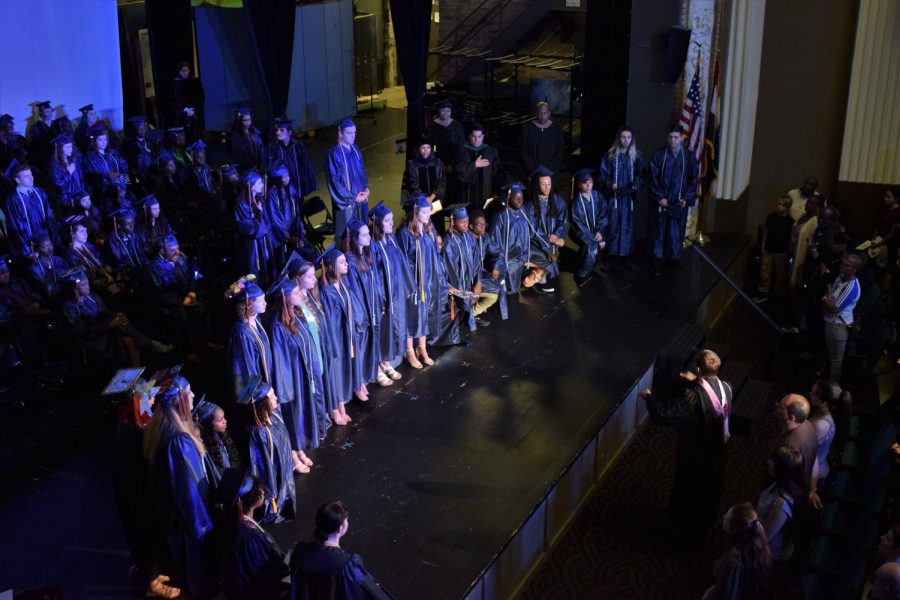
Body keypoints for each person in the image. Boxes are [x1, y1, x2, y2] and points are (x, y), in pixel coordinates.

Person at [641, 349, 731, 541]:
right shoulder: (727, 388)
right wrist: (695, 380)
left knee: (688, 491)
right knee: (708, 493)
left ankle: (681, 533)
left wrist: (649, 398)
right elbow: (710, 397)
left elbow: (664, 414)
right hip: (717, 453)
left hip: (696, 453)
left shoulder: (692, 397)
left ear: (698, 368)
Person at [143, 374, 213, 599]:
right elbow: (188, 493)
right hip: (188, 522)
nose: (193, 396)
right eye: (188, 392)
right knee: (197, 570)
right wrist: (204, 527)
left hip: (172, 517)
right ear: (178, 400)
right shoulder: (177, 441)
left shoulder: (159, 428)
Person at [61, 266, 168, 367]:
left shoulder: (93, 297)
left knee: (123, 327)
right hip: (93, 339)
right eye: (83, 285)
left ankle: (136, 365)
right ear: (74, 289)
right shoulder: (70, 307)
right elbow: (84, 330)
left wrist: (117, 317)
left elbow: (106, 313)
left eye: (87, 283)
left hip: (105, 329)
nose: (88, 287)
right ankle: (149, 345)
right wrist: (110, 324)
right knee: (123, 332)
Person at [270, 275, 324, 467]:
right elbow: (280, 360)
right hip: (292, 379)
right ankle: (293, 455)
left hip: (304, 374)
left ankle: (299, 448)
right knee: (293, 415)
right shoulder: (278, 326)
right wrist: (287, 390)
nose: (300, 294)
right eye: (295, 292)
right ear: (285, 297)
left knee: (301, 414)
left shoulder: (297, 315)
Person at [221, 474, 289, 599]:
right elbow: (266, 569)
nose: (263, 491)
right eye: (260, 489)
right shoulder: (250, 537)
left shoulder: (227, 525)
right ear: (255, 498)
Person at [290, 501, 375, 599]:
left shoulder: (301, 550)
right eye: (346, 520)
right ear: (340, 528)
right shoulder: (346, 565)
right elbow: (362, 590)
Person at [396, 196, 442, 369]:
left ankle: (422, 348)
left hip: (427, 281)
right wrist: (409, 285)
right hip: (413, 283)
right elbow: (402, 260)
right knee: (411, 316)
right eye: (424, 212)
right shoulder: (404, 233)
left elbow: (434, 255)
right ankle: (409, 351)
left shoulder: (429, 229)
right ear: (415, 212)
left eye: (429, 211)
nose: (428, 215)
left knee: (423, 315)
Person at [243, 379, 298, 524]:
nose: (276, 398)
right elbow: (262, 466)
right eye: (272, 396)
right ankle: (273, 508)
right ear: (262, 402)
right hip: (273, 475)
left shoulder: (275, 415)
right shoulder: (259, 432)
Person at [647, 126, 699, 274]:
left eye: (676, 137)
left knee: (676, 232)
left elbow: (693, 179)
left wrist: (686, 198)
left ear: (682, 137)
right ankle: (657, 261)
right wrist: (660, 196)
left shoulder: (688, 157)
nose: (673, 140)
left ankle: (673, 259)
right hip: (662, 202)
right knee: (659, 232)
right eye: (670, 137)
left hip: (678, 202)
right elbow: (652, 178)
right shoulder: (659, 155)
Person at [342, 219, 385, 393]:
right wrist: (362, 316)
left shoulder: (367, 256)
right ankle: (360, 381)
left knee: (372, 342)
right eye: (365, 235)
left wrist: (379, 302)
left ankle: (371, 372)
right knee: (362, 346)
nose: (369, 237)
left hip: (373, 307)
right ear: (354, 238)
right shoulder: (351, 262)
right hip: (363, 313)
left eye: (369, 233)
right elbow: (354, 292)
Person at [370, 203, 412, 377]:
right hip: (384, 296)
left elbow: (402, 265)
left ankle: (387, 362)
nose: (391, 223)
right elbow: (374, 275)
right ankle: (378, 367)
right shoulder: (373, 246)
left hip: (396, 293)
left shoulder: (392, 240)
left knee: (391, 328)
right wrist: (381, 298)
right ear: (378, 224)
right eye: (387, 221)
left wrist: (407, 288)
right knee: (382, 329)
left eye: (392, 220)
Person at [318, 248, 359, 424]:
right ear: (332, 266)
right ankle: (335, 409)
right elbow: (328, 319)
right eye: (342, 262)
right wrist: (336, 341)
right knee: (334, 371)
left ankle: (341, 405)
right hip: (334, 337)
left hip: (344, 335)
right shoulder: (326, 289)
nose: (347, 264)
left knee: (341, 371)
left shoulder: (341, 284)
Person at [701, 503, 772, 600]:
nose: (723, 517)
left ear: (734, 529)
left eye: (727, 517)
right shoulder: (751, 549)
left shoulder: (732, 562)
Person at [444, 206, 496, 329]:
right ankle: (466, 318)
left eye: (467, 221)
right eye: (462, 222)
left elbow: (477, 262)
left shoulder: (468, 237)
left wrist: (478, 283)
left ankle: (472, 314)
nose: (466, 225)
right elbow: (451, 273)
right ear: (453, 222)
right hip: (457, 288)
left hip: (471, 283)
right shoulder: (448, 242)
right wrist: (466, 294)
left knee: (494, 293)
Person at [598, 126, 644, 265]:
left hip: (628, 199)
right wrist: (610, 184)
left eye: (629, 137)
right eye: (623, 137)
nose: (626, 140)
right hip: (614, 198)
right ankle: (609, 257)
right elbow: (603, 175)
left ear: (632, 139)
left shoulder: (637, 156)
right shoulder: (610, 156)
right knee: (612, 226)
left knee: (627, 226)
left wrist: (636, 184)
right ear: (618, 138)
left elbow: (641, 175)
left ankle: (626, 257)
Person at [226, 274, 273, 401]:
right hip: (257, 396)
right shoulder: (241, 333)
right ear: (249, 304)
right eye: (261, 301)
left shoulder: (257, 322)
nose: (265, 303)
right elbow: (245, 368)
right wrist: (261, 391)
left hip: (267, 386)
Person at [757, 446, 804, 571]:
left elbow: (764, 538)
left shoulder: (782, 505)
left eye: (773, 461)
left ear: (781, 470)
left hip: (769, 554)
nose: (768, 462)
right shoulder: (778, 484)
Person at [522, 165, 567, 292]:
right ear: (537, 185)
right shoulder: (530, 206)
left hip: (552, 242)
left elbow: (563, 221)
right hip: (536, 244)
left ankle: (539, 277)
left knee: (552, 264)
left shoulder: (558, 201)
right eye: (543, 184)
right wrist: (549, 245)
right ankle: (533, 279)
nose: (547, 187)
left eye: (549, 184)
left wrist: (558, 235)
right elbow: (533, 232)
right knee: (548, 261)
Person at [4, 164, 60, 260]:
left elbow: (49, 215)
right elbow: (15, 226)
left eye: (31, 175)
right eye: (26, 176)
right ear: (18, 180)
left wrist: (54, 237)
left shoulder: (39, 192)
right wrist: (26, 251)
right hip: (30, 242)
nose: (31, 178)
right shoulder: (13, 200)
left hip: (46, 238)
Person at [266, 163, 314, 274]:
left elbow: (296, 213)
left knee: (311, 251)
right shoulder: (272, 194)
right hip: (280, 238)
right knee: (284, 265)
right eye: (284, 177)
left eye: (288, 175)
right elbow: (276, 220)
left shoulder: (290, 189)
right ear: (277, 179)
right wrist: (289, 238)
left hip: (294, 233)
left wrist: (299, 234)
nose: (288, 178)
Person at [775, 394, 820, 508]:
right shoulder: (808, 425)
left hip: (788, 493)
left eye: (781, 407)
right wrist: (812, 490)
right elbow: (814, 460)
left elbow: (779, 474)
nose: (776, 406)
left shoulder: (789, 446)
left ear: (791, 418)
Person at [326, 119, 369, 238]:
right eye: (349, 133)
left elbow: (362, 170)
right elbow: (335, 183)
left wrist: (366, 188)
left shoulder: (355, 149)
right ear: (340, 133)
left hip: (361, 201)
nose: (353, 136)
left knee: (361, 234)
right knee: (347, 237)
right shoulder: (334, 154)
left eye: (354, 132)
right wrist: (353, 197)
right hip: (347, 205)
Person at [822, 253, 862, 383]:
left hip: (838, 327)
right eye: (842, 263)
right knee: (830, 355)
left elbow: (833, 309)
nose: (842, 266)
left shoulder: (851, 287)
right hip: (831, 321)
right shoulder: (841, 277)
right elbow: (830, 296)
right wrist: (827, 300)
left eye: (846, 265)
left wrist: (824, 299)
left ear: (854, 269)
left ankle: (833, 392)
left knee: (836, 363)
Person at [488, 183, 531, 296]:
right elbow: (494, 243)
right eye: (516, 197)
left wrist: (524, 257)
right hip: (506, 264)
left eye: (521, 197)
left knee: (514, 292)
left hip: (519, 262)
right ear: (508, 197)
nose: (519, 200)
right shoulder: (501, 217)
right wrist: (497, 266)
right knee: (505, 295)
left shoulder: (523, 215)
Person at [234, 170, 275, 285]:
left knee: (266, 268)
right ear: (250, 186)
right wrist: (259, 215)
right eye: (259, 183)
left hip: (262, 242)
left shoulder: (258, 198)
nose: (262, 185)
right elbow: (251, 229)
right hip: (251, 246)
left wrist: (260, 214)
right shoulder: (242, 203)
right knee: (253, 272)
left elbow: (266, 224)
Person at [569, 168, 610, 282]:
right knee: (590, 245)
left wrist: (600, 231)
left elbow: (604, 215)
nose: (588, 185)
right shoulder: (576, 202)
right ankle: (582, 273)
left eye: (590, 182)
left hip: (597, 231)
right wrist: (594, 239)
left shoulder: (598, 196)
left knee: (606, 239)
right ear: (578, 185)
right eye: (584, 182)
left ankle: (595, 264)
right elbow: (578, 224)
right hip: (580, 233)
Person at [400, 137, 447, 231]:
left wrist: (432, 197)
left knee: (437, 226)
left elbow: (441, 182)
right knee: (421, 226)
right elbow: (414, 185)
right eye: (422, 148)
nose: (425, 151)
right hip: (419, 201)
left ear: (431, 148)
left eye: (428, 147)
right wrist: (425, 200)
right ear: (418, 149)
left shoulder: (437, 162)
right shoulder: (412, 164)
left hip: (435, 201)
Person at [454, 123, 504, 210]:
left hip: (486, 193)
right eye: (474, 136)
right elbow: (458, 170)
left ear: (483, 136)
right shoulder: (462, 151)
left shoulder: (491, 151)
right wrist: (474, 165)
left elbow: (498, 174)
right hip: (466, 194)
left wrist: (497, 192)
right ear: (469, 136)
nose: (477, 139)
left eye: (479, 136)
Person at [470, 208, 507, 320]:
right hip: (468, 275)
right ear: (471, 226)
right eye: (479, 224)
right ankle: (471, 314)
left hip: (479, 273)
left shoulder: (484, 237)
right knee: (494, 292)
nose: (483, 227)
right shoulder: (466, 240)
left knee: (498, 285)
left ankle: (474, 312)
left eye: (484, 224)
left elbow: (497, 252)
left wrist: (495, 268)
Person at [755, 197, 794, 302]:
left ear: (788, 207)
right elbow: (766, 231)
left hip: (781, 251)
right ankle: (763, 293)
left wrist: (789, 251)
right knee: (765, 273)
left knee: (779, 275)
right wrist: (763, 245)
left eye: (782, 205)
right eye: (779, 204)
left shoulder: (790, 221)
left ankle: (778, 296)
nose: (779, 206)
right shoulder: (771, 216)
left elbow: (790, 237)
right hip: (768, 249)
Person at [267, 117, 317, 199]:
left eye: (282, 130)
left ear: (289, 132)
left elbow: (305, 165)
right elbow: (271, 168)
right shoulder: (274, 148)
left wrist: (305, 184)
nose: (278, 132)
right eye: (277, 130)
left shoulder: (298, 146)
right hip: (283, 186)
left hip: (298, 184)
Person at [519, 101, 564, 178]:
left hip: (551, 171)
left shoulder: (556, 129)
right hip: (532, 171)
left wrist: (548, 169)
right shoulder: (527, 128)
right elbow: (523, 150)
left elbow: (559, 151)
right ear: (536, 113)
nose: (542, 116)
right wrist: (534, 168)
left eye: (545, 113)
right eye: (540, 113)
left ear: (549, 113)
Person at [82, 126, 130, 199]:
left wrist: (122, 184)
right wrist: (116, 180)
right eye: (100, 140)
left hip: (122, 189)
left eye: (105, 139)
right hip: (105, 194)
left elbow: (124, 168)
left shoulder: (113, 152)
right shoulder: (90, 158)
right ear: (94, 141)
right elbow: (97, 178)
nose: (104, 142)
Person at [196, 400, 241, 474]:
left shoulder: (223, 437)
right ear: (209, 424)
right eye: (220, 420)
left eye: (224, 418)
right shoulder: (207, 445)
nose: (225, 421)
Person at [808, 379, 837, 485]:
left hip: (814, 474)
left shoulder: (820, 425)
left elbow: (808, 453)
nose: (810, 394)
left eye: (813, 393)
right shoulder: (822, 413)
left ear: (823, 402)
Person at [26, 231, 68, 303]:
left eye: (50, 244)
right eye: (44, 247)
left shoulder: (58, 260)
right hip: (49, 298)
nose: (49, 249)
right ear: (37, 249)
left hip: (66, 291)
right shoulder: (35, 267)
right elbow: (44, 284)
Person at [789, 195, 821, 289]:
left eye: (812, 203)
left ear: (817, 207)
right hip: (792, 252)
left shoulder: (815, 221)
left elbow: (811, 242)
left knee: (796, 281)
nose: (808, 205)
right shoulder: (803, 215)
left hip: (801, 255)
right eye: (808, 202)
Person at [48, 132, 86, 210]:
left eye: (71, 146)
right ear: (60, 149)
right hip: (67, 198)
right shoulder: (55, 164)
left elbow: (80, 176)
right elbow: (58, 184)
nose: (71, 149)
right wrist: (68, 173)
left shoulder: (73, 160)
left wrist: (82, 191)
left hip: (79, 193)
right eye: (67, 147)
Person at [169, 61, 205, 141]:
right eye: (183, 70)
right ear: (179, 71)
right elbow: (175, 99)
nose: (185, 72)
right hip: (182, 114)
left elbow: (200, 97)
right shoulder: (175, 83)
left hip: (194, 113)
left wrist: (194, 109)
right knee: (184, 137)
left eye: (187, 70)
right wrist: (186, 109)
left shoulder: (195, 81)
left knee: (196, 137)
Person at [107, 208, 148, 273]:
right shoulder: (113, 239)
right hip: (125, 270)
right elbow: (119, 260)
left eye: (132, 223)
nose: (132, 226)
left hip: (139, 266)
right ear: (119, 226)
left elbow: (140, 252)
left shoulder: (133, 233)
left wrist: (146, 264)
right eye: (128, 224)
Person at [429, 100, 465, 172]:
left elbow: (460, 144)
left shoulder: (457, 125)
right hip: (438, 159)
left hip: (454, 161)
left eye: (448, 111)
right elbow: (432, 144)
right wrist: (435, 156)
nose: (446, 113)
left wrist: (454, 163)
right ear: (438, 111)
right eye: (443, 110)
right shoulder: (432, 125)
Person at [121, 115, 155, 183]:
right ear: (134, 130)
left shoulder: (150, 140)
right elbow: (128, 162)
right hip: (138, 176)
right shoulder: (129, 144)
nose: (143, 131)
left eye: (144, 128)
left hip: (152, 173)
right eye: (140, 129)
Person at [231, 108, 265, 173]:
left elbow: (261, 148)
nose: (248, 122)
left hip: (259, 165)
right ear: (240, 121)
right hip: (248, 169)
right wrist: (252, 168)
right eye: (245, 120)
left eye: (249, 120)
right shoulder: (237, 135)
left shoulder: (254, 132)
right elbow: (240, 155)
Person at [28, 100, 55, 169]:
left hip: (56, 156)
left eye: (51, 111)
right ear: (41, 112)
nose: (50, 114)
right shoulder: (36, 128)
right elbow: (37, 147)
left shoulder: (53, 124)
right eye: (47, 112)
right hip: (46, 161)